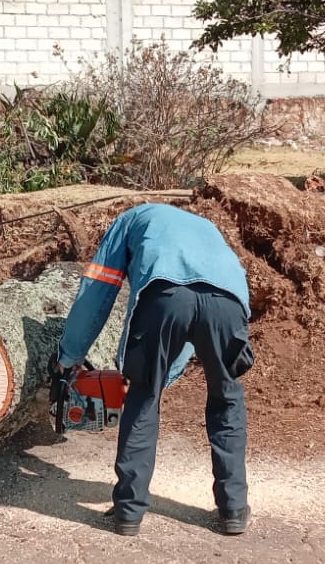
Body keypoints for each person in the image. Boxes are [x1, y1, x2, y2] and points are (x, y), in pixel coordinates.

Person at [56, 203, 255, 537]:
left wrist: (69, 355)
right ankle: (233, 508)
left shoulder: (128, 221)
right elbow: (199, 312)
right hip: (230, 302)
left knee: (144, 396)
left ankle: (129, 513)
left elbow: (99, 291)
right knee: (227, 397)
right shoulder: (205, 226)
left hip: (166, 294)